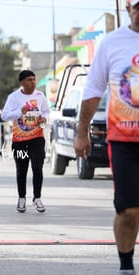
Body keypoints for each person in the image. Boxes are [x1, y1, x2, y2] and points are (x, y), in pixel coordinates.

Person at [74, 1, 139, 273]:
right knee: (129, 211)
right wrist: (82, 133)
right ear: (128, 8)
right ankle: (126, 265)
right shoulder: (113, 43)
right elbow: (94, 88)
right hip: (123, 141)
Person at [1, 70, 49, 213]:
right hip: (20, 140)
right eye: (29, 80)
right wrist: (19, 112)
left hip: (37, 138)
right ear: (21, 82)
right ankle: (22, 198)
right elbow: (4, 115)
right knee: (22, 170)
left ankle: (37, 198)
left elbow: (46, 111)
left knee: (37, 168)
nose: (33, 82)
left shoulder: (40, 96)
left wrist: (44, 118)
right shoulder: (14, 97)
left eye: (34, 79)